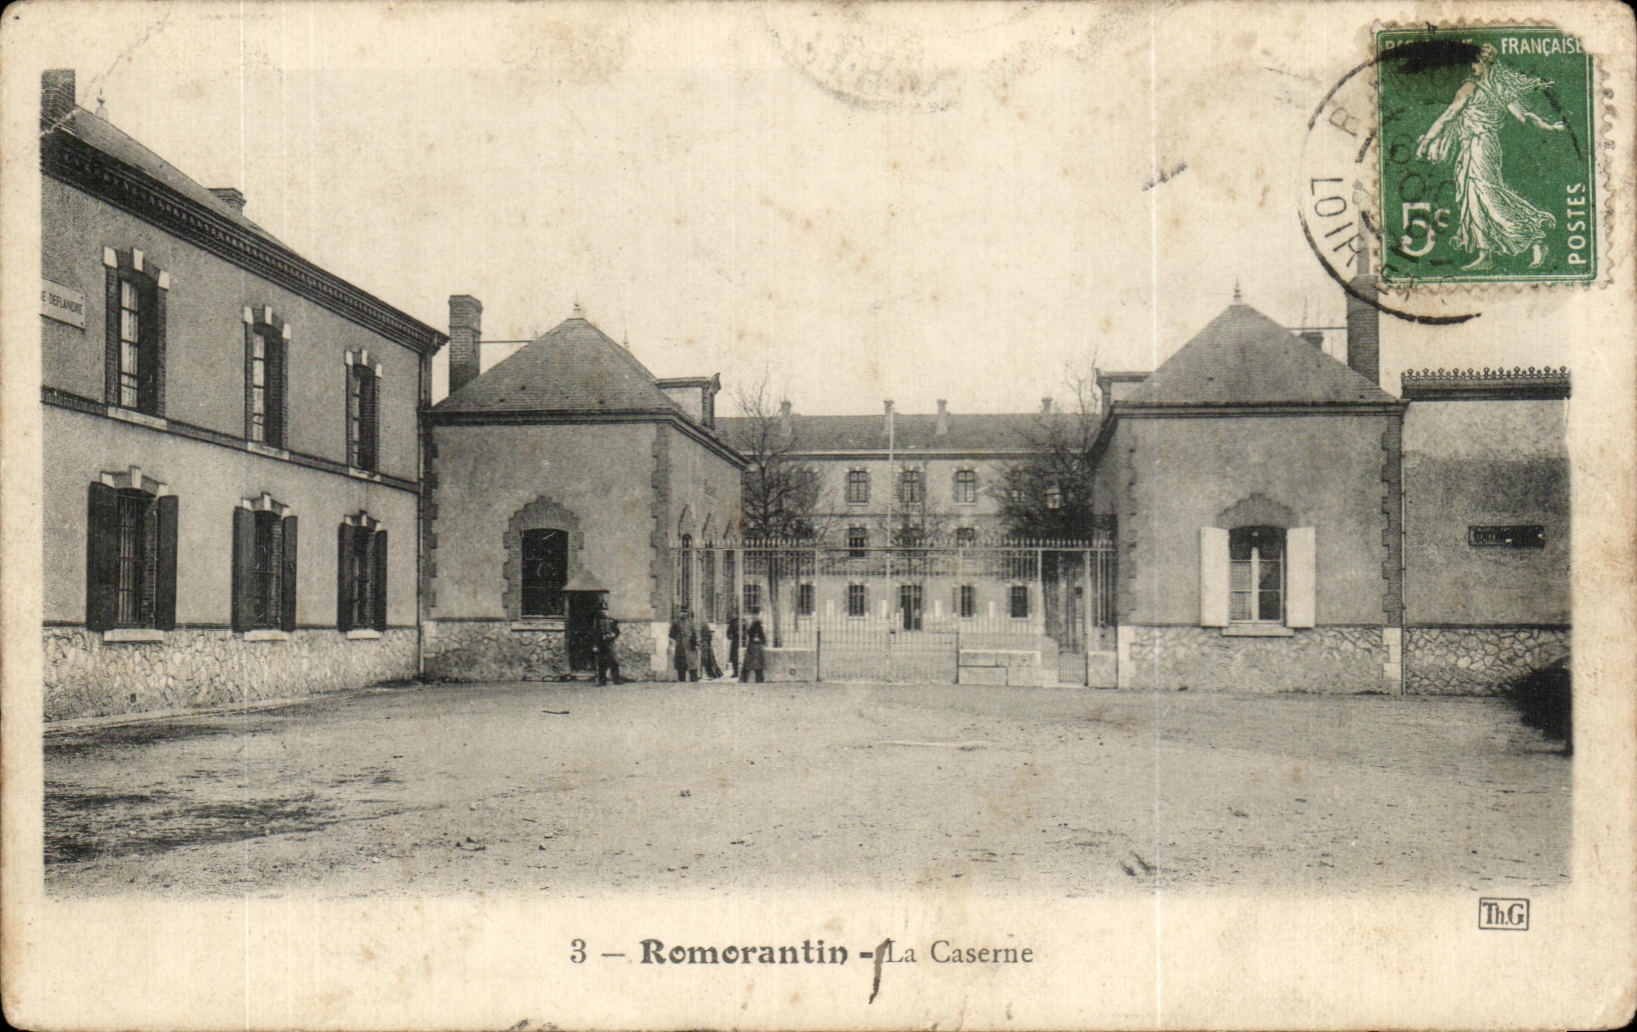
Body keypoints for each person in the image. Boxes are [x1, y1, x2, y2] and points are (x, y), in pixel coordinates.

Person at [1415, 43, 1565, 271]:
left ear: (1487, 64)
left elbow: (1523, 116)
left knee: (1488, 196)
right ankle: (1485, 254)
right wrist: (1549, 126)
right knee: (1473, 199)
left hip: (1482, 146)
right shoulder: (1492, 88)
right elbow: (1524, 116)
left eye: (1476, 62)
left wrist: (1427, 141)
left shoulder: (1476, 88)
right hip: (1470, 147)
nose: (1472, 67)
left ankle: (1534, 238)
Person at [594, 603, 623, 686]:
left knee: (614, 660)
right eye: (602, 610)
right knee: (601, 661)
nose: (604, 612)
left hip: (610, 643)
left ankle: (616, 679)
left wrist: (613, 635)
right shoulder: (597, 622)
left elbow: (617, 631)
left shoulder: (612, 621)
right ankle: (602, 680)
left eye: (605, 610)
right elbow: (595, 633)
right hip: (601, 642)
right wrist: (595, 645)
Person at [667, 609, 693, 682]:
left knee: (687, 662)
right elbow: (671, 634)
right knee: (680, 663)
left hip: (688, 647)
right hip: (679, 646)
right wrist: (677, 639)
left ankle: (687, 678)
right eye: (682, 612)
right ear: (679, 614)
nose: (683, 614)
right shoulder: (676, 623)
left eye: (685, 612)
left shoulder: (690, 623)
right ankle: (681, 678)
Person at [740, 616, 767, 683]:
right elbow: (763, 637)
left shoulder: (752, 626)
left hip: (752, 646)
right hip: (757, 647)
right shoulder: (760, 627)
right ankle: (759, 679)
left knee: (747, 664)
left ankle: (745, 679)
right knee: (758, 665)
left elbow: (749, 633)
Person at [725, 614, 741, 679]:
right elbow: (728, 633)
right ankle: (736, 672)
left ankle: (737, 672)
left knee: (736, 657)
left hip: (741, 642)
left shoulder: (742, 621)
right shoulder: (733, 622)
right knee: (735, 658)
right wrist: (731, 636)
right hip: (735, 641)